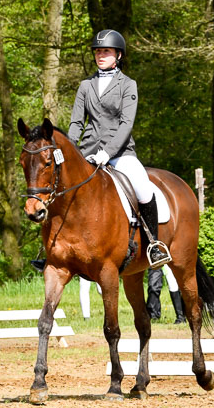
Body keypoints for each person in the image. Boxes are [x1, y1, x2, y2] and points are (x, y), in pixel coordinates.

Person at [67, 29, 171, 269]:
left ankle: (153, 245)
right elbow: (75, 123)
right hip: (88, 152)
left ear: (118, 55)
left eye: (106, 51)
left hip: (121, 154)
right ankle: (54, 248)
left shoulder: (128, 85)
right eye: (98, 51)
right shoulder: (85, 86)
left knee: (144, 189)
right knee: (62, 185)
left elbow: (126, 124)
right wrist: (71, 151)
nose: (101, 55)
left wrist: (108, 152)